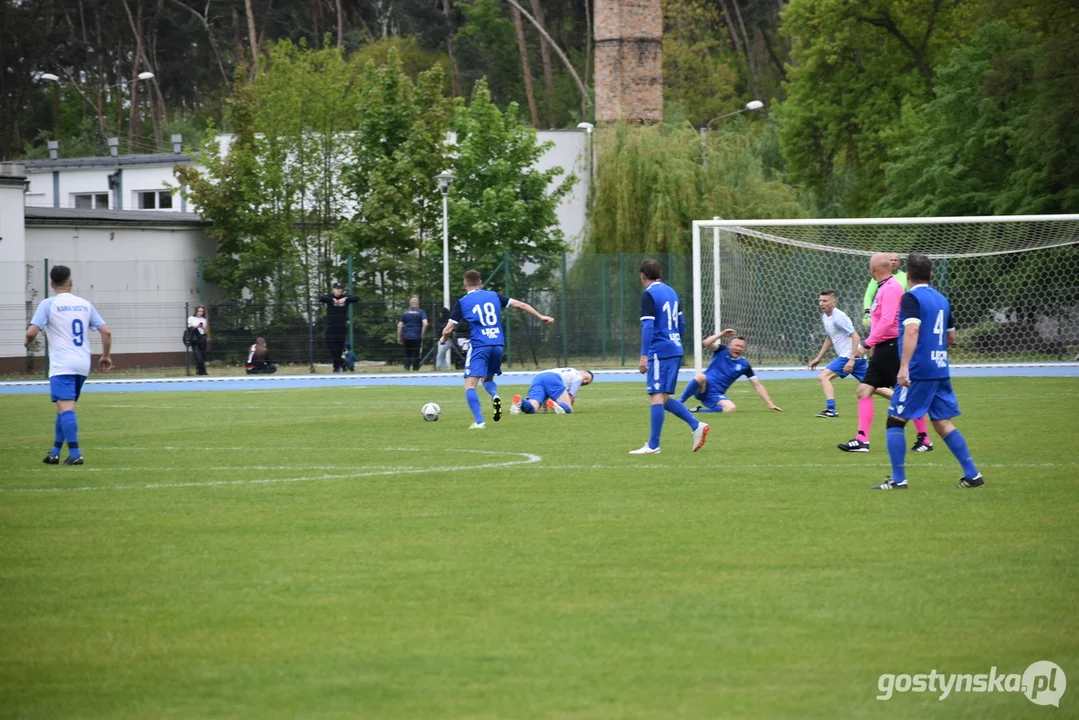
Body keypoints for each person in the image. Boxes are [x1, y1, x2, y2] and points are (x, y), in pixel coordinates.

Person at [873, 253, 983, 490]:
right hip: (940, 368)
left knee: (895, 420)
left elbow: (912, 330)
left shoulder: (911, 298)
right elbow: (951, 337)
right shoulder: (942, 299)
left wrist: (904, 367)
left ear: (908, 276)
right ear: (931, 275)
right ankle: (972, 475)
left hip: (919, 370)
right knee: (942, 422)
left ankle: (898, 480)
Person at [839, 253, 933, 453]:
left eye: (869, 267)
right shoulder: (884, 288)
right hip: (884, 347)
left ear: (874, 270)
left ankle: (922, 439)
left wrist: (866, 344)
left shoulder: (890, 289)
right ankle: (862, 440)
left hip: (891, 347)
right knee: (866, 390)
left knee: (898, 393)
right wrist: (874, 346)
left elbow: (888, 322)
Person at [439, 269, 554, 429]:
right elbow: (520, 304)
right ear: (480, 282)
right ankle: (494, 395)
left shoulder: (463, 302)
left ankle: (479, 422)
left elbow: (448, 329)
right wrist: (541, 316)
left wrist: (443, 339)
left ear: (465, 283)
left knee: (470, 385)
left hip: (480, 345)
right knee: (488, 379)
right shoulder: (494, 296)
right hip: (498, 344)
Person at [24, 264, 113, 465]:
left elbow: (31, 332)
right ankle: (54, 452)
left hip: (62, 364)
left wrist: (26, 342)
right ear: (71, 282)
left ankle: (75, 455)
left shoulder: (48, 304)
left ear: (51, 283)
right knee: (63, 409)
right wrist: (105, 356)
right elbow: (106, 331)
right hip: (82, 364)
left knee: (66, 408)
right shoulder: (84, 304)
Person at [630, 259, 709, 455]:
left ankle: (653, 445)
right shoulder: (672, 293)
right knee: (663, 398)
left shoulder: (648, 295)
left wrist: (643, 356)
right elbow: (682, 324)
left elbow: (648, 327)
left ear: (642, 276)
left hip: (660, 351)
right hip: (675, 348)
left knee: (655, 395)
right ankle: (696, 425)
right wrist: (675, 342)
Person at [680, 329, 782, 414]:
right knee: (701, 377)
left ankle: (698, 411)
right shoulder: (721, 350)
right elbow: (706, 343)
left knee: (731, 408)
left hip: (715, 395)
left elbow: (757, 385)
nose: (738, 348)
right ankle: (679, 403)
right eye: (736, 345)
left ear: (744, 349)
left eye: (741, 347)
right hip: (702, 388)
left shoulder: (744, 365)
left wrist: (769, 403)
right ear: (730, 346)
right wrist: (722, 334)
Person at [807, 290, 866, 418]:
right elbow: (830, 338)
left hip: (848, 356)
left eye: (825, 301)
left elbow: (855, 336)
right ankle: (901, 400)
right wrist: (818, 358)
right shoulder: (825, 317)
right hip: (856, 358)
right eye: (820, 300)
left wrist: (851, 359)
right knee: (872, 386)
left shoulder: (839, 317)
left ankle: (831, 409)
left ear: (834, 302)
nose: (821, 303)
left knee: (823, 377)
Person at [511, 368, 594, 415]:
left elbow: (547, 388)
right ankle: (560, 407)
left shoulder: (566, 370)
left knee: (533, 408)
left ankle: (521, 402)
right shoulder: (578, 377)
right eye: (587, 378)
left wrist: (544, 407)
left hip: (539, 377)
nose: (585, 381)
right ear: (582, 371)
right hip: (553, 378)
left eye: (587, 383)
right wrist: (569, 409)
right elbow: (571, 396)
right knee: (568, 409)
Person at [318, 282, 359, 372]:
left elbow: (356, 298)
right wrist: (333, 300)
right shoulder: (329, 298)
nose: (338, 290)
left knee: (339, 349)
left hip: (341, 327)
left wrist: (345, 299)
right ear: (333, 289)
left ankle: (337, 367)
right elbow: (321, 298)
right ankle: (342, 362)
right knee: (331, 347)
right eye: (337, 288)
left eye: (340, 289)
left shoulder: (345, 298)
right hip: (331, 327)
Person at [861, 252, 908, 327]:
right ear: (887, 263)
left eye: (895, 260)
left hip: (897, 315)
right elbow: (869, 294)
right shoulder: (879, 275)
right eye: (891, 260)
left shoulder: (905, 277)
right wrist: (867, 311)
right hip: (881, 314)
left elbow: (908, 296)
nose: (893, 262)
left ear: (899, 262)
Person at [397, 296, 428, 371]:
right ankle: (415, 368)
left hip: (406, 336)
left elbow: (399, 325)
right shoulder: (421, 312)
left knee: (407, 353)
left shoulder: (405, 312)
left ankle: (406, 367)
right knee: (416, 353)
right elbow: (425, 323)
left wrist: (399, 336)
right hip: (417, 336)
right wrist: (422, 334)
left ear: (410, 303)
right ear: (418, 303)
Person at [185, 304, 211, 375]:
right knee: (198, 355)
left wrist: (202, 328)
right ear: (196, 311)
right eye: (199, 311)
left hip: (202, 337)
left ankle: (201, 371)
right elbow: (189, 327)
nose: (200, 313)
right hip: (195, 338)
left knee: (202, 356)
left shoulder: (204, 319)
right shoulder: (191, 318)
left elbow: (206, 331)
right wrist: (196, 326)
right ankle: (201, 370)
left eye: (202, 311)